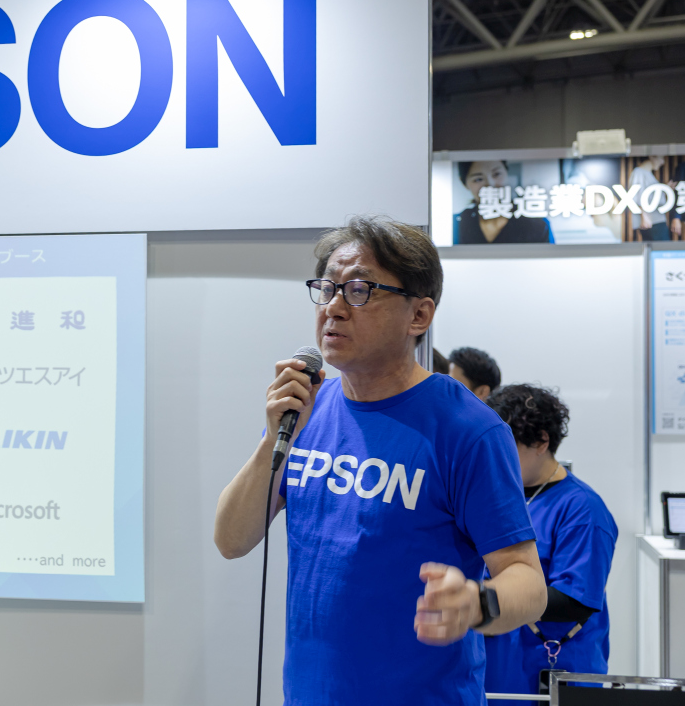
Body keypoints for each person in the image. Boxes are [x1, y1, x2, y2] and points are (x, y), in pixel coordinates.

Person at [214, 216, 545, 706]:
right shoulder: (305, 410)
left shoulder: (468, 430)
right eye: (327, 288)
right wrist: (271, 441)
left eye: (359, 290)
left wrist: (477, 603)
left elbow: (528, 581)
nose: (333, 308)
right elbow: (231, 539)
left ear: (419, 315)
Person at [483, 385, 617, 703]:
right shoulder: (496, 498)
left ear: (542, 441)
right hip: (496, 666)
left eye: (506, 448)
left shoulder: (583, 509)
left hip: (549, 667)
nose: (495, 459)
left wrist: (481, 601)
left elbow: (575, 599)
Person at [455, 161, 553, 244]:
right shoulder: (455, 225)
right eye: (478, 179)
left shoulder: (537, 224)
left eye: (497, 174)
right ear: (464, 183)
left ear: (507, 173)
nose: (490, 184)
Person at [630, 156, 669, 241]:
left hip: (656, 221)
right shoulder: (639, 172)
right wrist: (644, 217)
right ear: (652, 157)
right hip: (651, 222)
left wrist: (666, 188)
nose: (662, 162)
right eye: (661, 158)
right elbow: (636, 197)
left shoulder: (648, 173)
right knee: (661, 247)